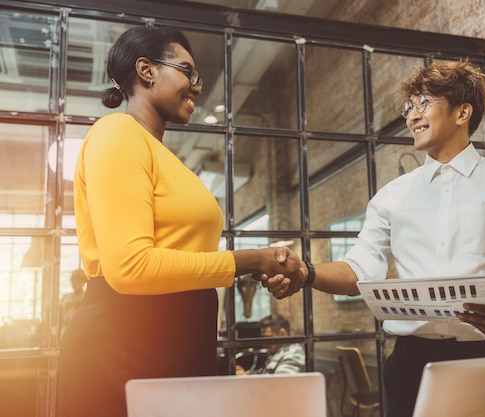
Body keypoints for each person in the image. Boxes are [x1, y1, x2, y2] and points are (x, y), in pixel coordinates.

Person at [263, 60, 485, 417]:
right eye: (409, 107)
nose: (411, 116)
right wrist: (307, 272)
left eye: (424, 103)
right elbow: (359, 269)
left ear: (462, 112)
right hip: (410, 363)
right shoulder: (390, 197)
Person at [57, 26, 303, 417]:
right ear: (146, 70)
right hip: (123, 348)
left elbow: (184, 257)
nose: (196, 86)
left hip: (173, 343)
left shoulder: (164, 157)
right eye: (187, 71)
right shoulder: (117, 132)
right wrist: (250, 261)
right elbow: (131, 267)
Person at [236, 313, 305, 375]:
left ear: (282, 334)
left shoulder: (293, 353)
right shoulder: (277, 353)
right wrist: (244, 374)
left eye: (268, 338)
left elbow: (281, 382)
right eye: (263, 338)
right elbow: (262, 374)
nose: (264, 343)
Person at [59, 269, 87, 335]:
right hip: (66, 330)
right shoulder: (66, 297)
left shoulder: (86, 298)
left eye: (77, 280)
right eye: (73, 280)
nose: (74, 283)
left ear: (83, 281)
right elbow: (61, 316)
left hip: (80, 331)